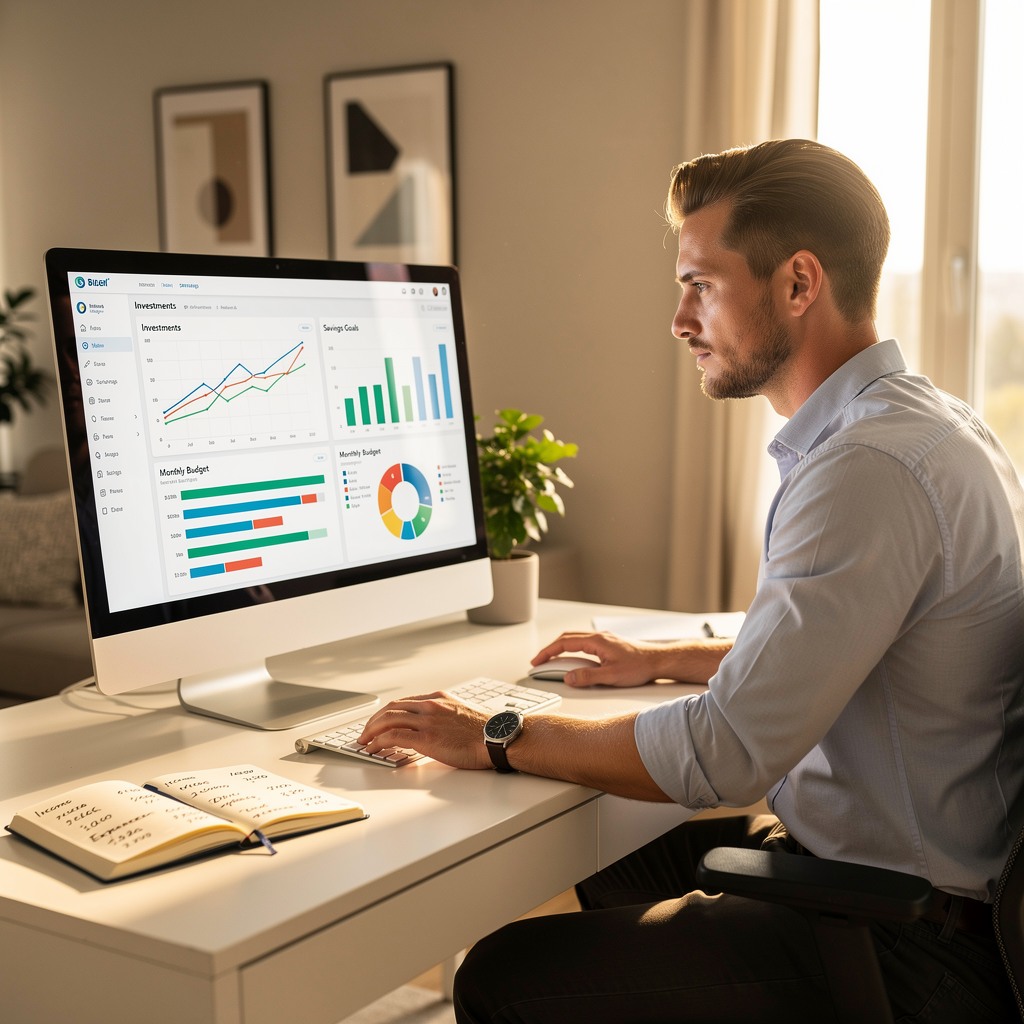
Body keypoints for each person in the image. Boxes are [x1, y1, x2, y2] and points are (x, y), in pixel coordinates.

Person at [357, 139, 1024, 1022]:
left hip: (910, 946)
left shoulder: (867, 467)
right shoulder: (925, 424)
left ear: (797, 283)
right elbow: (847, 647)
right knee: (599, 864)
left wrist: (495, 730)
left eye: (701, 285)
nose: (679, 320)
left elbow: (724, 753)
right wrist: (665, 657)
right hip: (914, 886)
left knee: (498, 977)